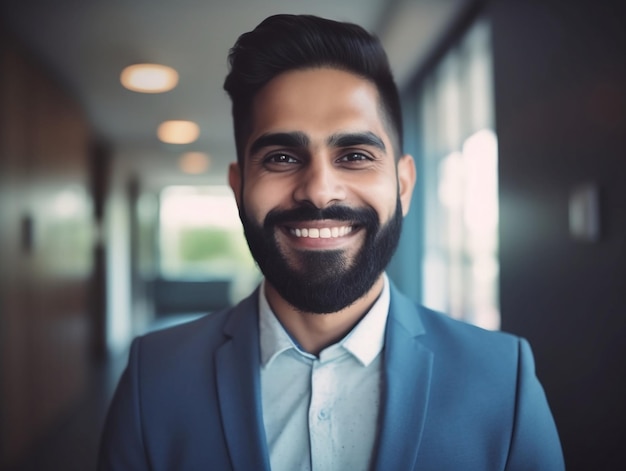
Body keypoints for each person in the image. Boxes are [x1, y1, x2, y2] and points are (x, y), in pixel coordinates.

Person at [99, 14, 564, 471]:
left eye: (356, 155)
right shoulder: (153, 379)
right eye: (281, 157)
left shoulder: (504, 378)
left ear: (403, 184)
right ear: (239, 186)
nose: (320, 190)